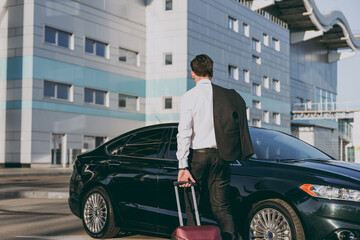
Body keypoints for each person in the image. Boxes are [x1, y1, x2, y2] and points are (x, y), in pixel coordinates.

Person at [176, 54, 254, 240]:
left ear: (193, 73)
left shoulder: (190, 96)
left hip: (198, 159)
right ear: (212, 73)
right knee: (222, 207)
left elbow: (184, 132)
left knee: (193, 206)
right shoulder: (229, 96)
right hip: (222, 157)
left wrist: (182, 165)